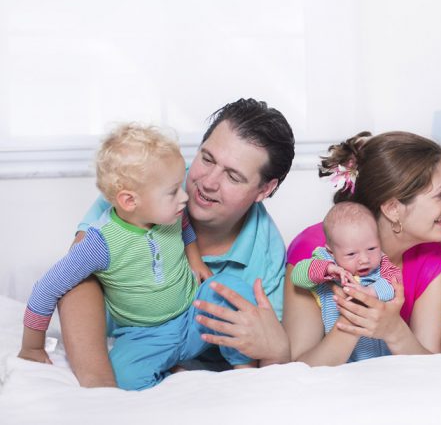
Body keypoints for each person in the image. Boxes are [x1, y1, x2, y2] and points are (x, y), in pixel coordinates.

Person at [56, 99, 295, 387]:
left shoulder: (266, 254)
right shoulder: (147, 183)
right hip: (128, 346)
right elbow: (75, 279)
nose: (207, 182)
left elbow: (264, 346)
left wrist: (276, 350)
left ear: (264, 189)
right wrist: (101, 388)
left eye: (233, 176)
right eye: (206, 159)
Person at [19, 124, 258, 390]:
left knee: (233, 289)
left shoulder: (171, 215)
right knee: (125, 377)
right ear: (130, 201)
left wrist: (195, 260)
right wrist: (32, 345)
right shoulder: (100, 243)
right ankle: (170, 372)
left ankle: (243, 367)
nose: (184, 198)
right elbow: (46, 288)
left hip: (194, 316)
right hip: (144, 336)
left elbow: (186, 228)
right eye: (173, 191)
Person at [284, 131, 441, 366]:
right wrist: (356, 318)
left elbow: (429, 366)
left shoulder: (432, 259)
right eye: (439, 195)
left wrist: (394, 330)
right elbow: (297, 369)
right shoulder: (315, 252)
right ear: (393, 209)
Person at [290, 202, 401, 362]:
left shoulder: (382, 264)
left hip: (380, 358)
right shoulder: (325, 262)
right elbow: (297, 276)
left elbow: (395, 281)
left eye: (371, 248)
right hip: (341, 357)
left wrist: (370, 292)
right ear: (331, 251)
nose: (364, 259)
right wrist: (327, 269)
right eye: (351, 254)